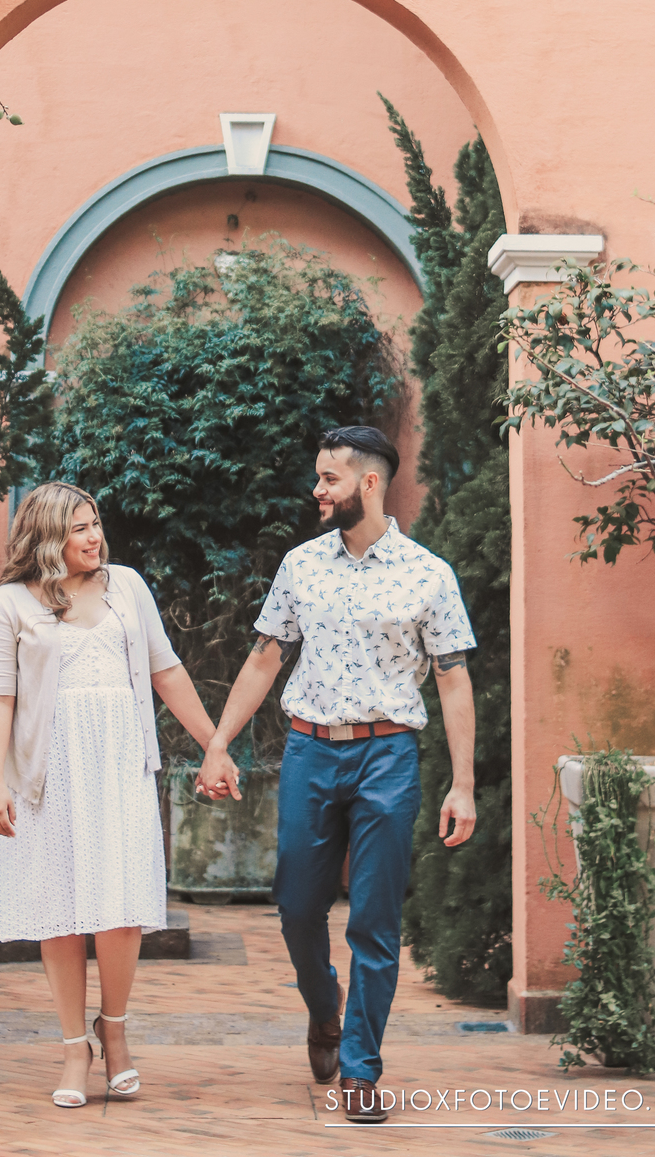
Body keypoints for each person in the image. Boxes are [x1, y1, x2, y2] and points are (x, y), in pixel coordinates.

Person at [195, 426, 477, 1125]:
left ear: (368, 483)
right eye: (318, 478)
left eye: (329, 479)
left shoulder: (429, 575)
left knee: (375, 920)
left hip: (388, 757)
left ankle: (360, 1068)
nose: (316, 490)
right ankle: (325, 1010)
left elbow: (453, 679)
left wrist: (463, 784)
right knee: (297, 907)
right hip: (311, 751)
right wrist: (219, 743)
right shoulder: (300, 566)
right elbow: (265, 657)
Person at [0, 481, 217, 1109]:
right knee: (59, 908)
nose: (94, 537)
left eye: (96, 524)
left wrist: (213, 745)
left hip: (118, 767)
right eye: (79, 528)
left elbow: (166, 670)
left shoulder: (126, 586)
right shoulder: (7, 604)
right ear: (47, 536)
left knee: (121, 905)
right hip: (45, 776)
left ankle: (115, 1029)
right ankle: (73, 1048)